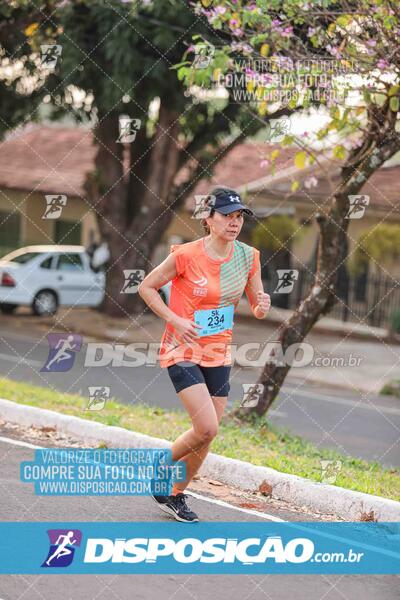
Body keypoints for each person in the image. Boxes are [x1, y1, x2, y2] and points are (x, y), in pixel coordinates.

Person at [138, 187, 271, 522]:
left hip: (218, 352)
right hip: (181, 348)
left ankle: (175, 494)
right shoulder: (185, 254)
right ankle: (162, 464)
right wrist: (174, 319)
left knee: (207, 435)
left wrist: (262, 305)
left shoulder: (248, 257)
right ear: (208, 219)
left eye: (239, 216)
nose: (234, 222)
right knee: (207, 427)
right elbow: (147, 287)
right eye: (227, 215)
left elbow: (256, 305)